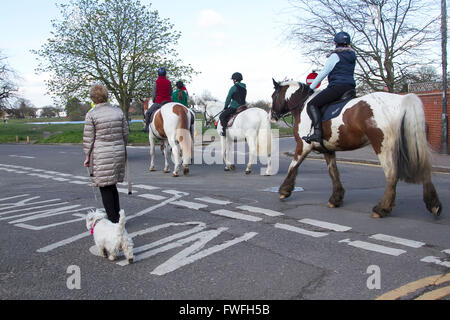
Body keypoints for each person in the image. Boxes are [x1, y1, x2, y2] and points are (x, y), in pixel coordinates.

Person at [83, 84, 129, 224]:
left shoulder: (91, 114)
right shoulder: (118, 112)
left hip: (101, 154)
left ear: (93, 98)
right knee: (112, 185)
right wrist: (121, 145)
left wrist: (87, 156)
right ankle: (117, 216)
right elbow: (125, 133)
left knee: (105, 187)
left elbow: (88, 138)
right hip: (118, 151)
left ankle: (113, 219)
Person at [302, 31, 356, 144]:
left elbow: (323, 73)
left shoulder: (335, 56)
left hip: (337, 87)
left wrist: (310, 87)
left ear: (336, 43)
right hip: (350, 88)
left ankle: (317, 134)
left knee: (312, 104)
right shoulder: (352, 55)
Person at [143, 67, 173, 133]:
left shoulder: (156, 82)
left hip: (159, 102)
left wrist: (154, 100)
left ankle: (147, 127)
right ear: (165, 74)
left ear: (158, 74)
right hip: (168, 102)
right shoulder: (169, 82)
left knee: (148, 113)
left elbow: (154, 94)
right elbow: (171, 92)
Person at [219, 72, 247, 136]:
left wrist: (225, 107)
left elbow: (228, 98)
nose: (232, 81)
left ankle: (224, 132)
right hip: (243, 107)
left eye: (233, 80)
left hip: (235, 106)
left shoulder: (233, 87)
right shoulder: (244, 87)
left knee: (222, 116)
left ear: (235, 80)